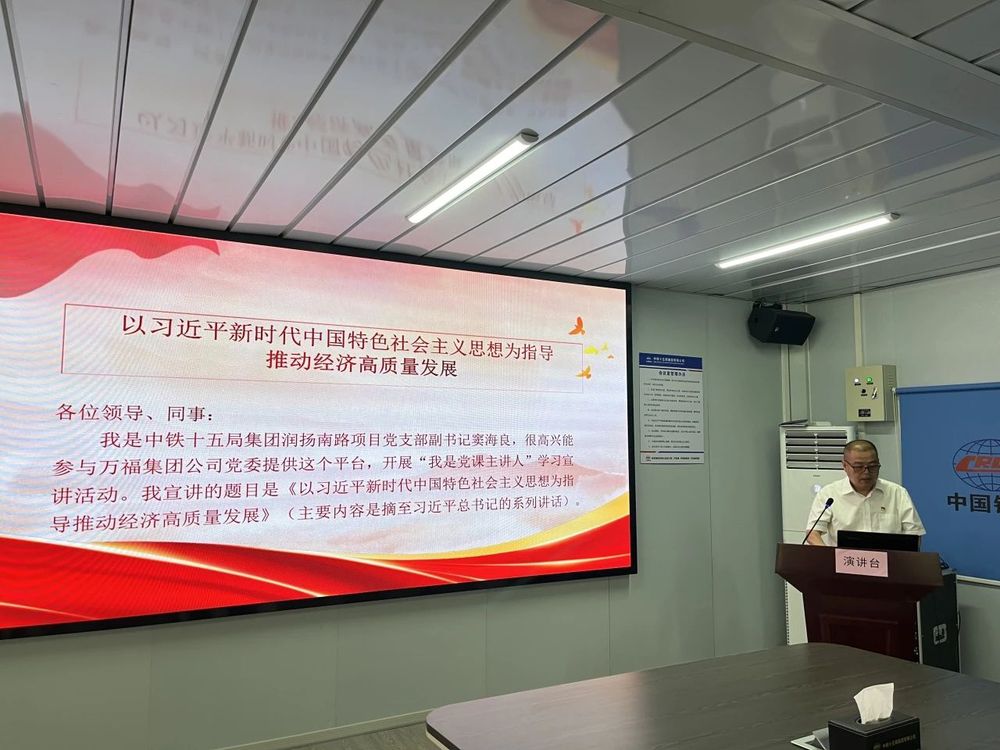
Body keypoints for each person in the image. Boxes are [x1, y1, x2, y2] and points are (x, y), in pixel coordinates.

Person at [805, 439, 925, 546]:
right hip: (845, 560)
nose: (866, 472)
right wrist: (829, 556)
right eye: (858, 467)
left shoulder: (897, 493)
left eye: (872, 466)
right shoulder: (829, 494)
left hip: (889, 560)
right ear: (845, 466)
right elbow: (812, 533)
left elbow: (914, 533)